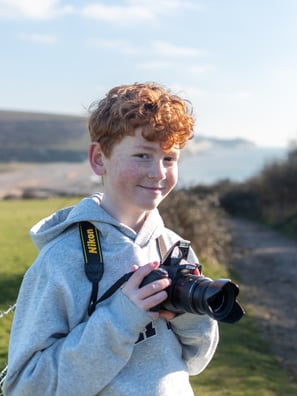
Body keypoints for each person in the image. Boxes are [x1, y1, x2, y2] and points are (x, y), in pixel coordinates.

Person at [3, 82, 219, 396]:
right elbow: (25, 387)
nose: (158, 172)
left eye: (169, 159)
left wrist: (188, 314)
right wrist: (120, 320)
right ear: (99, 159)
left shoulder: (176, 249)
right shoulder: (63, 259)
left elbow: (197, 360)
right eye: (143, 155)